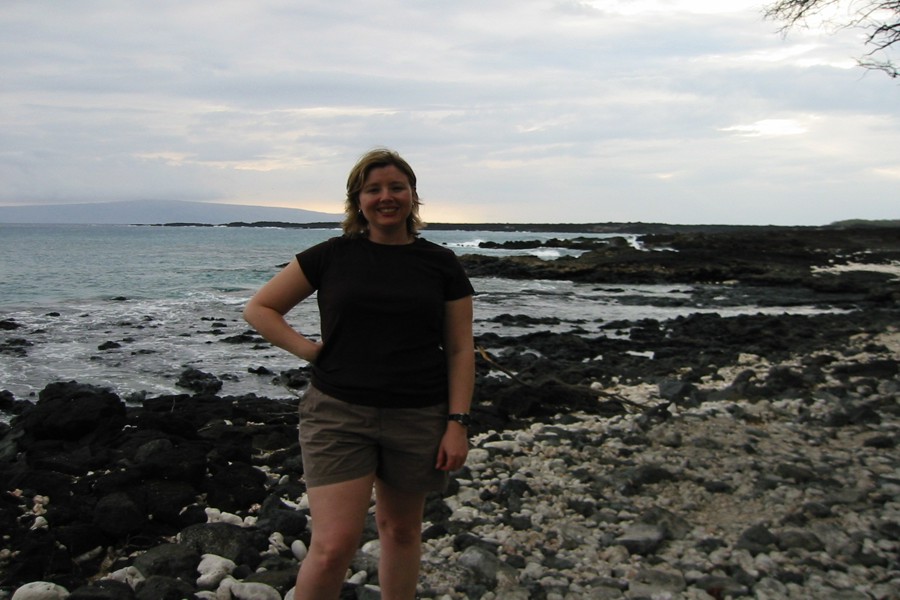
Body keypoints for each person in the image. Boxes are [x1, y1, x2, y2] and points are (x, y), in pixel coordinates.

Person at [243, 148, 475, 600]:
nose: (386, 197)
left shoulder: (441, 263)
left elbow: (461, 349)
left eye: (396, 187)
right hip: (337, 415)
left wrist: (457, 424)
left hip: (419, 415)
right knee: (333, 547)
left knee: (402, 531)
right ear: (358, 200)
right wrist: (310, 350)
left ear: (412, 195)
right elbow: (261, 308)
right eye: (374, 189)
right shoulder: (331, 256)